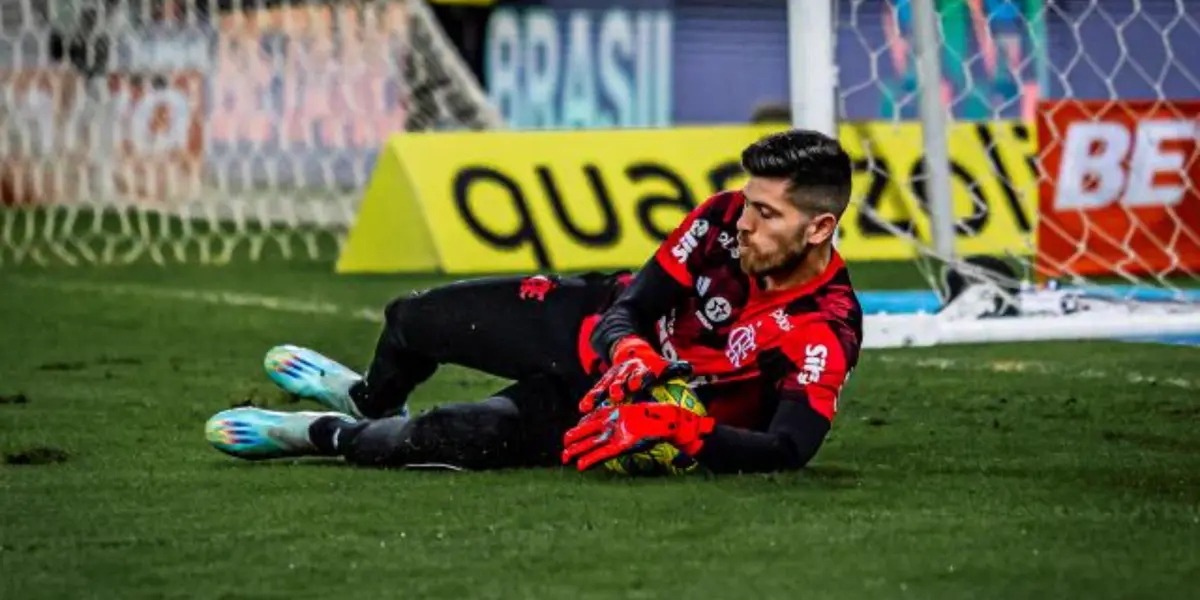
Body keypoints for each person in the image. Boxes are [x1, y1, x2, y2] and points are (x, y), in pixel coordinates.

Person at [204, 129, 864, 474]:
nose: (744, 223)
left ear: (818, 229)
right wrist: (630, 348)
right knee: (413, 319)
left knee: (455, 433)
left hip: (611, 411)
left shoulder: (824, 330)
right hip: (585, 328)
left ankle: (322, 433)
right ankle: (367, 397)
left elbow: (788, 449)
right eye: (748, 204)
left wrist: (681, 429)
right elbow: (629, 309)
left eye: (766, 215)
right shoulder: (721, 218)